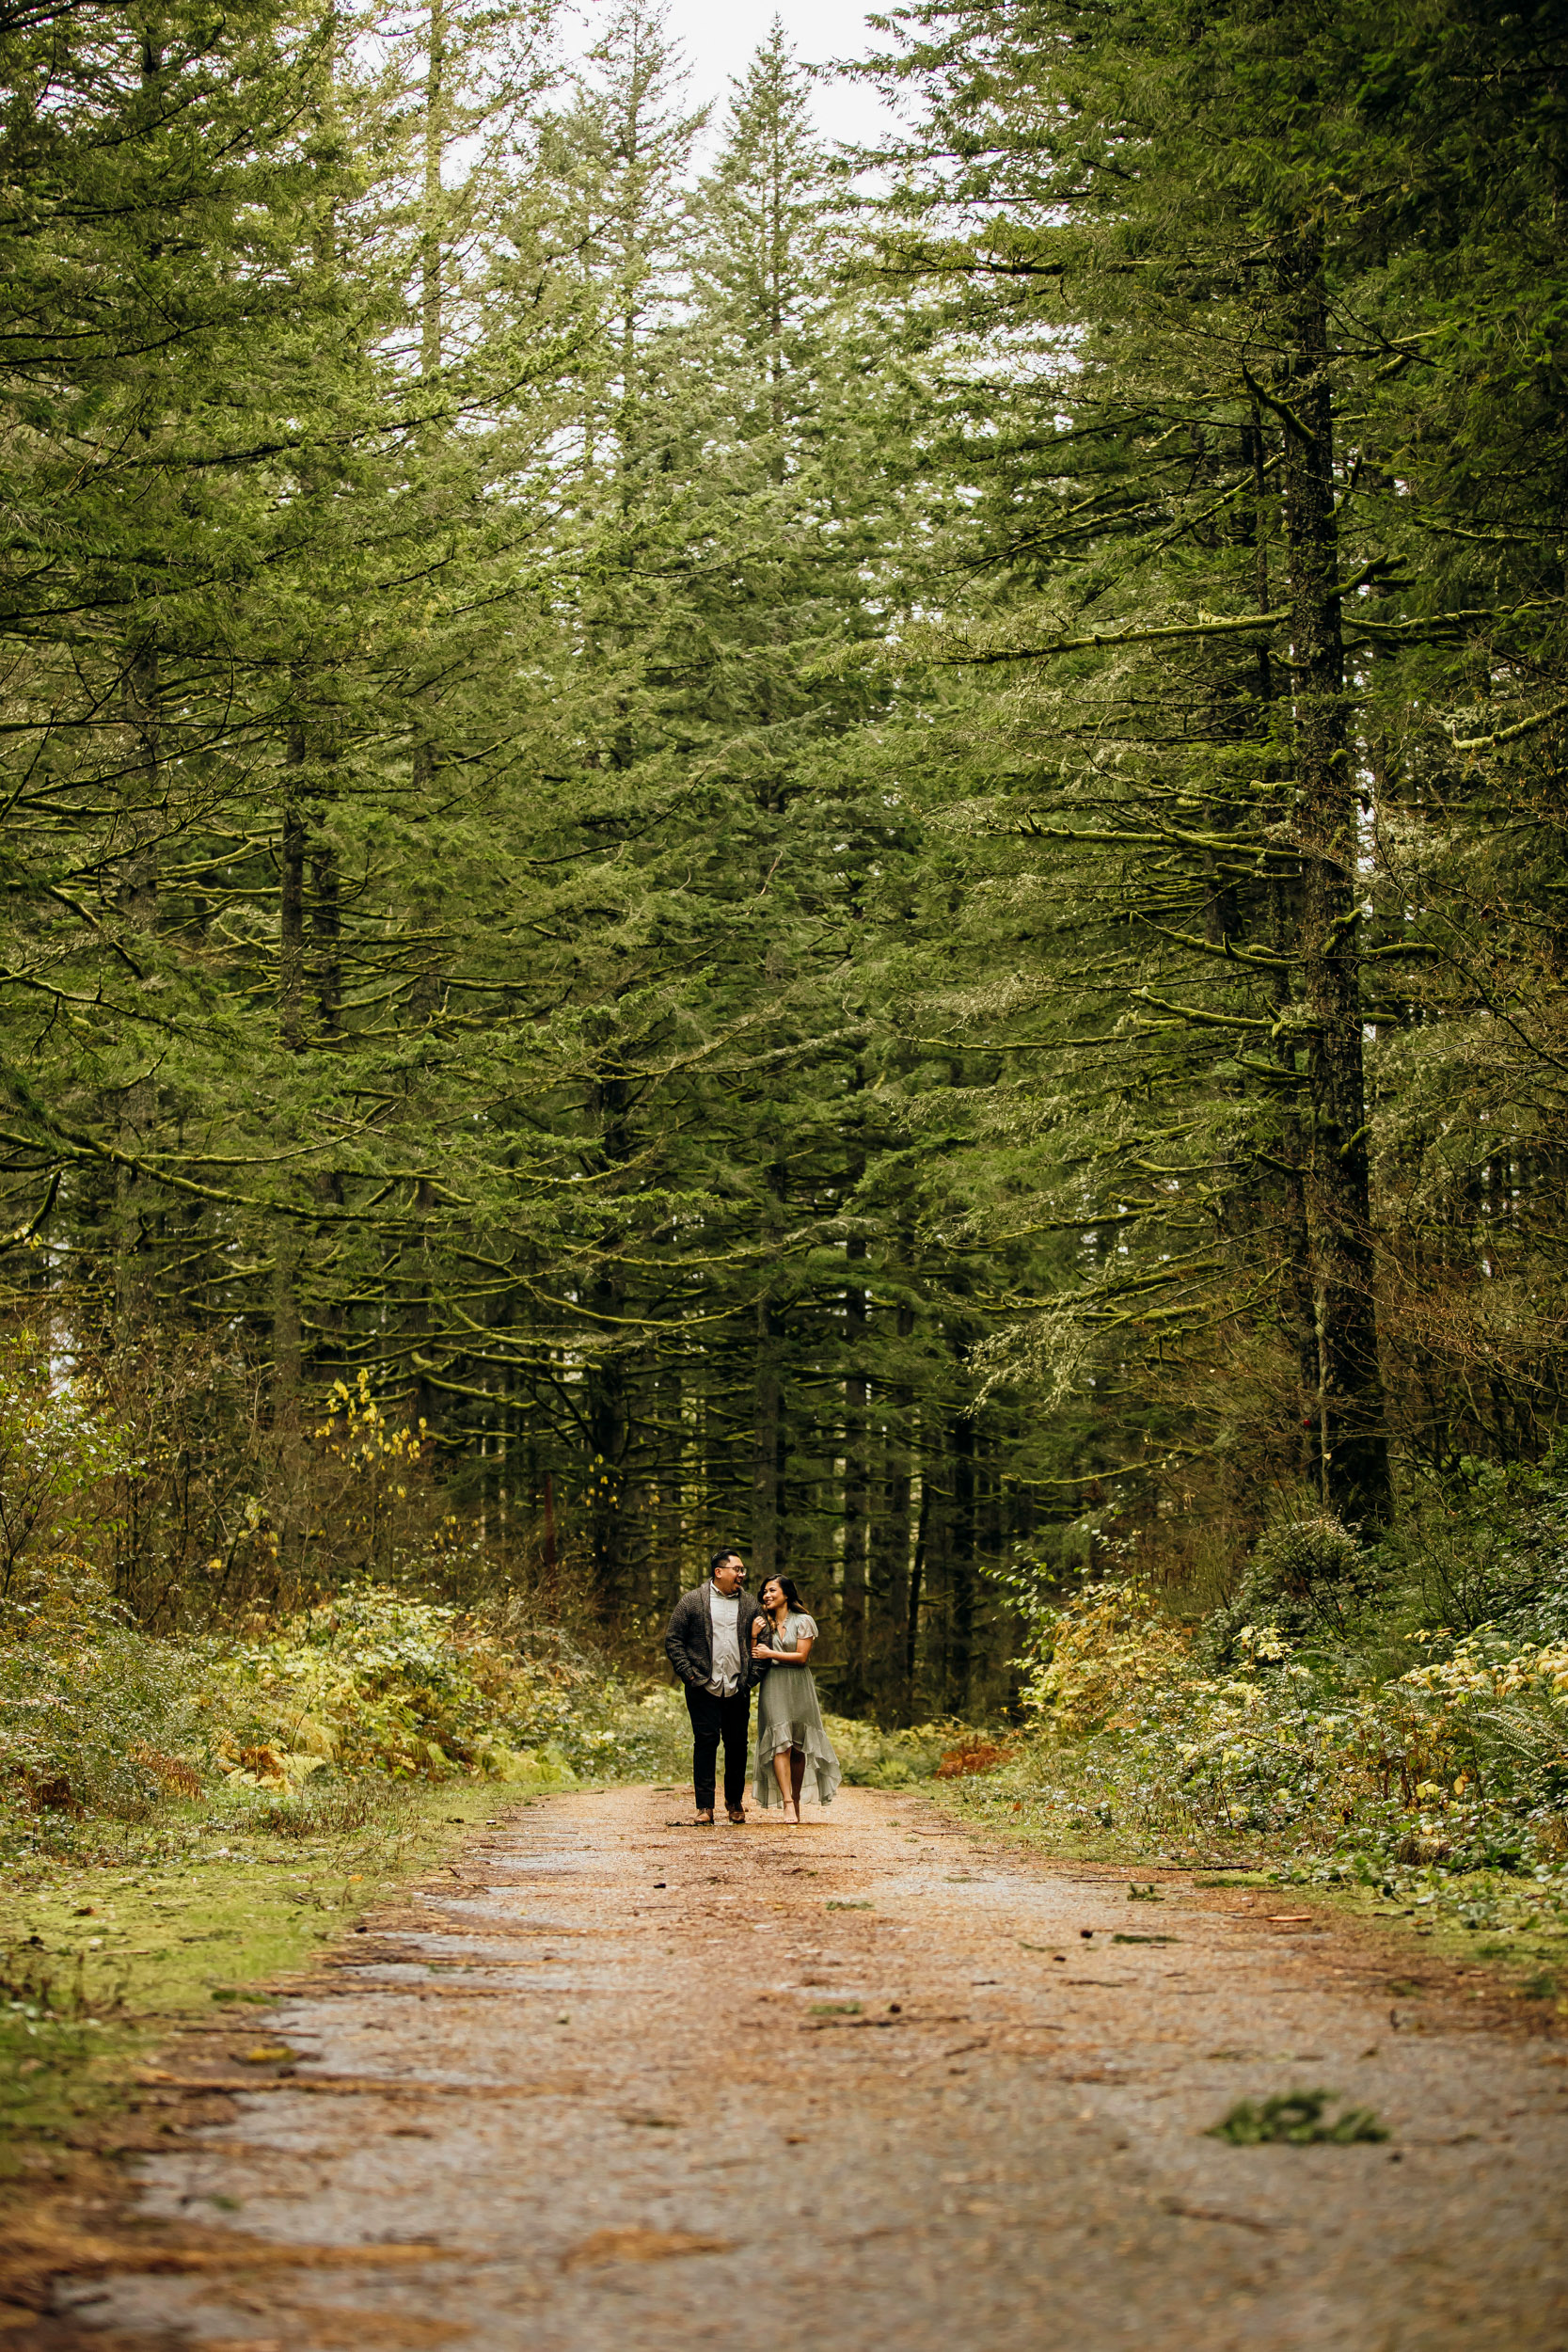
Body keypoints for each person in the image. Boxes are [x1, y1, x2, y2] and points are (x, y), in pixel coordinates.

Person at [664, 1549, 768, 1826]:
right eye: (737, 1569)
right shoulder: (692, 1602)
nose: (742, 1575)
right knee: (705, 1744)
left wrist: (750, 1679)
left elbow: (765, 1640)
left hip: (737, 1686)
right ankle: (704, 1807)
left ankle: (734, 1803)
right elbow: (673, 1640)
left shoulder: (750, 1605)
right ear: (718, 1572)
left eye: (743, 1570)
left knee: (737, 1745)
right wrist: (690, 1676)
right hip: (702, 1687)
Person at [751, 1574, 841, 1822]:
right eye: (764, 1592)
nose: (766, 1595)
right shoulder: (762, 1624)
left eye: (771, 1590)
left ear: (786, 1594)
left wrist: (770, 1653)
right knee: (781, 1743)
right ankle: (787, 1803)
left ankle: (796, 1799)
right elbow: (754, 1654)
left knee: (799, 1746)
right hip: (774, 1684)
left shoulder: (804, 1621)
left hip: (799, 1684)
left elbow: (802, 1657)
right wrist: (753, 1634)